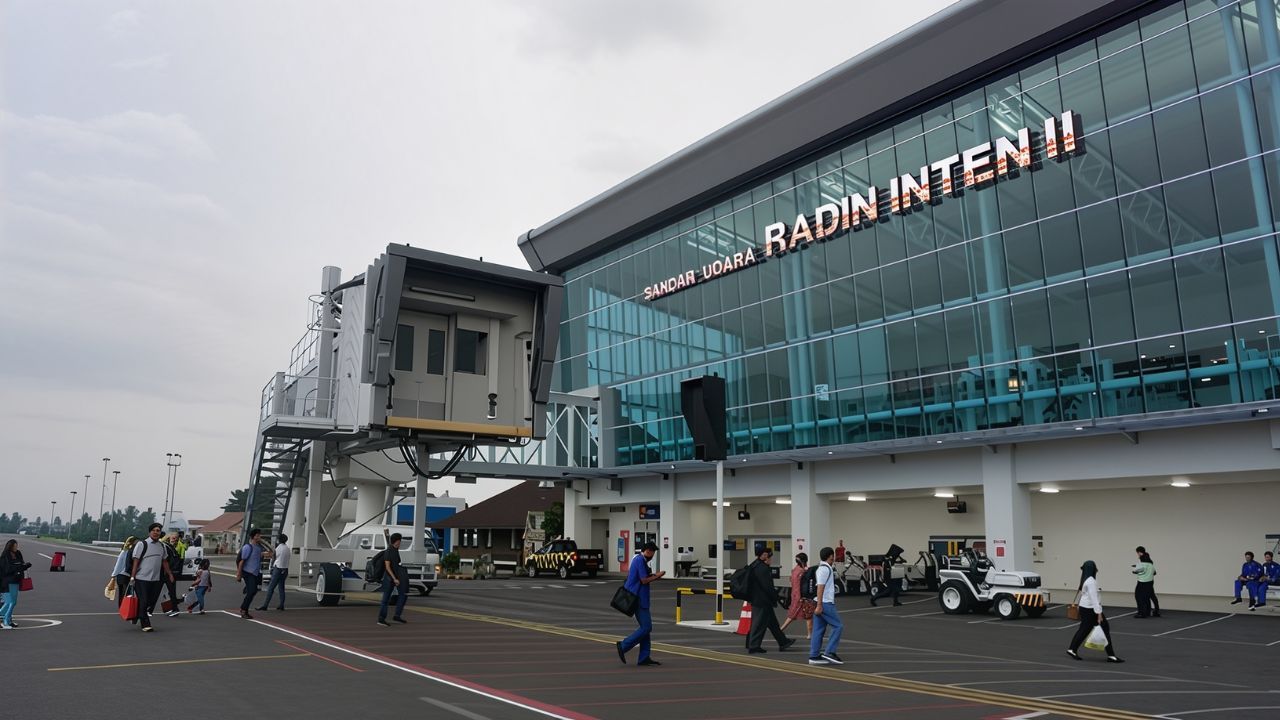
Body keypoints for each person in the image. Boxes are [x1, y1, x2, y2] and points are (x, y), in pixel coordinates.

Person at [616, 541, 665, 666]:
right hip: (637, 599)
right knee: (646, 627)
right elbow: (644, 580)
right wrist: (658, 576)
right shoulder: (639, 560)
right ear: (648, 551)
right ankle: (624, 645)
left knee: (646, 628)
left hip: (640, 598)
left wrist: (653, 575)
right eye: (653, 552)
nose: (653, 554)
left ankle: (644, 657)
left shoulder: (639, 560)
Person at [1067, 560, 1123, 663]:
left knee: (1084, 629)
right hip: (1090, 609)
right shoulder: (1091, 581)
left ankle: (1072, 649)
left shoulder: (1085, 579)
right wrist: (1099, 613)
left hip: (1085, 607)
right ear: (1092, 569)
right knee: (1103, 628)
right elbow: (1094, 598)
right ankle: (1111, 655)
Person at [744, 547, 795, 654]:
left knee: (772, 623)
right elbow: (767, 586)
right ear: (763, 556)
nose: (770, 559)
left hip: (757, 599)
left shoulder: (754, 565)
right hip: (762, 600)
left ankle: (783, 642)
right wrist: (776, 597)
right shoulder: (763, 568)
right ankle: (753, 646)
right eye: (769, 556)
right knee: (759, 623)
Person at [131, 523, 176, 632]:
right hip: (141, 578)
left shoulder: (162, 546)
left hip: (155, 579)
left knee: (150, 601)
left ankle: (138, 614)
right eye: (154, 530)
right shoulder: (142, 544)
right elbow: (136, 561)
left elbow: (164, 561)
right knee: (144, 600)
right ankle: (145, 623)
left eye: (158, 531)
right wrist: (132, 577)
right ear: (149, 532)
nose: (156, 532)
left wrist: (169, 574)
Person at [808, 546, 844, 666]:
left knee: (818, 630)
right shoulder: (825, 569)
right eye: (833, 555)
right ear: (830, 556)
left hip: (820, 602)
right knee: (838, 626)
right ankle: (829, 652)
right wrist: (819, 605)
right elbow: (820, 587)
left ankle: (814, 655)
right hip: (825, 603)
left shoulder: (822, 568)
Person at [377, 533, 410, 627]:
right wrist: (394, 578)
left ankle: (397, 615)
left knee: (403, 595)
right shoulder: (389, 551)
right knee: (385, 599)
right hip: (389, 578)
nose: (400, 542)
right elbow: (387, 567)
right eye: (400, 541)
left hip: (397, 577)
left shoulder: (395, 550)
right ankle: (381, 618)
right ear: (397, 541)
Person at [780, 552, 814, 639]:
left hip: (795, 595)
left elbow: (792, 581)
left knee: (793, 614)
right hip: (801, 597)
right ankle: (810, 634)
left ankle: (781, 629)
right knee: (807, 616)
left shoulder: (795, 570)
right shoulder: (803, 572)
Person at [0, 539, 32, 629]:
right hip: (7, 582)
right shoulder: (4, 557)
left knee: (13, 603)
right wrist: (19, 567)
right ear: (10, 546)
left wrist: (24, 566)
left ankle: (9, 620)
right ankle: (5, 621)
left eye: (16, 546)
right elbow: (7, 569)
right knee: (8, 602)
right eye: (14, 546)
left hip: (15, 581)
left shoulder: (18, 554)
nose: (16, 547)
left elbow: (21, 564)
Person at [236, 528, 266, 619]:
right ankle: (243, 610)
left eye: (259, 535)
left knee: (253, 591)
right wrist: (239, 574)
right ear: (253, 537)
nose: (259, 537)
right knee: (252, 591)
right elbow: (241, 562)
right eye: (257, 535)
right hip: (248, 572)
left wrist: (265, 544)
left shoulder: (259, 547)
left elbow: (267, 553)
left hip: (255, 573)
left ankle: (244, 609)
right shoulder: (247, 547)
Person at [256, 533, 290, 611]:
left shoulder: (278, 548)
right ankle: (281, 605)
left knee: (271, 588)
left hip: (278, 568)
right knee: (281, 587)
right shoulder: (287, 548)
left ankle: (265, 605)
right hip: (285, 570)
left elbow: (273, 556)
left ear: (279, 540)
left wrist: (271, 567)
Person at [1131, 546, 1160, 618]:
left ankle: (1141, 613)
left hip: (1142, 582)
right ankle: (1155, 611)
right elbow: (1154, 573)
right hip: (1150, 582)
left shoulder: (1141, 564)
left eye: (1137, 553)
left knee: (1139, 597)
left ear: (1140, 553)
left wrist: (1136, 568)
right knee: (1151, 596)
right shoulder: (1151, 564)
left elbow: (1135, 571)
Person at [110, 536, 138, 609]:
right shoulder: (126, 551)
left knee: (123, 592)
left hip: (122, 575)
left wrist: (114, 575)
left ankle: (122, 606)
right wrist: (113, 575)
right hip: (124, 574)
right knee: (125, 592)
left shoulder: (128, 551)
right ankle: (124, 607)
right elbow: (118, 564)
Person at [160, 534, 183, 617]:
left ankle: (148, 609)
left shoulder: (165, 547)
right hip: (173, 572)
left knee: (155, 591)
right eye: (173, 538)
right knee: (171, 591)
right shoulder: (172, 548)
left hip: (166, 572)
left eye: (175, 539)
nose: (175, 540)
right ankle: (174, 608)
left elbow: (165, 560)